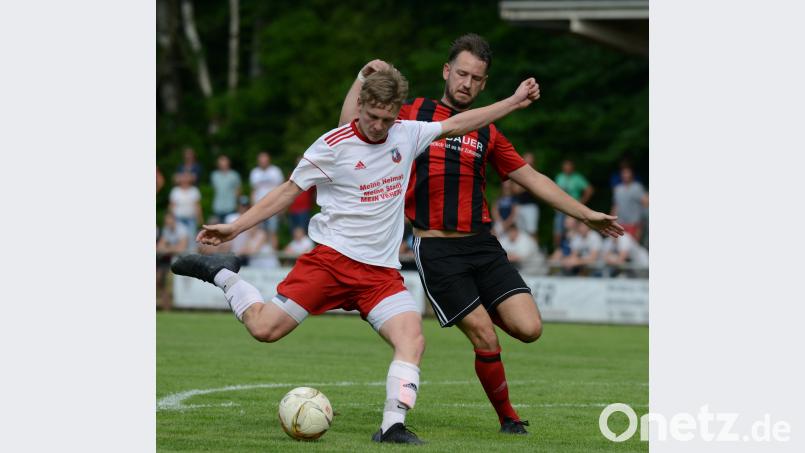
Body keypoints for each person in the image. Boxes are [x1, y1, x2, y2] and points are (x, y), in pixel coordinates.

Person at [172, 67, 541, 444]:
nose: (380, 126)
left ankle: (392, 425)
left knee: (412, 339)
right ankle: (224, 275)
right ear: (360, 105)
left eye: (388, 118)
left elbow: (462, 123)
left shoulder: (406, 133)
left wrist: (512, 102)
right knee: (264, 329)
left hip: (380, 275)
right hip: (331, 263)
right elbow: (286, 192)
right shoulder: (332, 145)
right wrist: (235, 228)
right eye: (373, 116)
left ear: (397, 112)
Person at [339, 34, 623, 434]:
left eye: (475, 78)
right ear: (446, 71)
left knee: (529, 329)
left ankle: (474, 310)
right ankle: (509, 418)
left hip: (484, 247)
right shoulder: (412, 113)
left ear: (484, 84)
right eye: (461, 73)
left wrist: (586, 214)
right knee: (486, 336)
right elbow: (348, 130)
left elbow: (532, 178)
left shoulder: (487, 132)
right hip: (436, 248)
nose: (466, 83)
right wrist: (360, 78)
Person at [553, 159, 593, 249]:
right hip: (560, 208)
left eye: (568, 166)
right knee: (558, 231)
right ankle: (558, 251)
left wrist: (581, 203)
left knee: (574, 231)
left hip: (573, 208)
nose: (567, 168)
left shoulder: (577, 178)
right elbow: (554, 192)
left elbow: (589, 190)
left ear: (572, 168)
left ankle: (575, 250)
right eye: (565, 166)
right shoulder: (559, 177)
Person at [249, 151, 284, 249]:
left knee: (273, 232)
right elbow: (253, 191)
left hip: (273, 206)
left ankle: (274, 257)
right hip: (258, 208)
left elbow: (282, 189)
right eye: (261, 160)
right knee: (259, 232)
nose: (263, 161)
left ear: (269, 160)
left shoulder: (276, 171)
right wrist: (252, 208)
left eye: (265, 159)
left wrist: (281, 206)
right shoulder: (254, 172)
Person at [611, 165, 649, 243]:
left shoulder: (637, 187)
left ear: (632, 174)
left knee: (633, 247)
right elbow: (615, 206)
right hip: (621, 224)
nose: (625, 175)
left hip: (634, 223)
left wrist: (642, 220)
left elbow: (646, 202)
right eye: (623, 173)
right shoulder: (618, 189)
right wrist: (612, 221)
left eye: (627, 173)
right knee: (622, 247)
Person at [168, 171, 203, 251]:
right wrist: (171, 219)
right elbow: (171, 206)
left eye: (187, 177)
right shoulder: (175, 191)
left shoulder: (194, 190)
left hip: (191, 219)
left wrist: (200, 218)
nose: (185, 179)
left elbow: (197, 206)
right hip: (178, 219)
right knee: (181, 239)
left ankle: (192, 258)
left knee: (192, 240)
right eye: (183, 177)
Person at [512, 152, 540, 240]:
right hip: (519, 206)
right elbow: (515, 190)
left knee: (532, 231)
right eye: (527, 158)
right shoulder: (518, 172)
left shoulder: (536, 173)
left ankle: (536, 251)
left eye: (530, 158)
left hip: (531, 206)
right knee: (521, 232)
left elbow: (536, 189)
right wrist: (528, 185)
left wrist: (523, 185)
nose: (528, 160)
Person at [210, 155, 242, 224]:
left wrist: (238, 204)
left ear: (228, 163)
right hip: (218, 207)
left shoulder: (234, 175)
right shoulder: (214, 175)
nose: (223, 165)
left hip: (231, 207)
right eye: (221, 164)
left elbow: (238, 191)